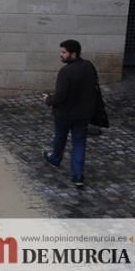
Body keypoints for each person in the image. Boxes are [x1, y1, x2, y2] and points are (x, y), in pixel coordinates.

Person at [43, 39, 99, 188]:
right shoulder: (88, 66)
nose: (61, 55)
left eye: (64, 52)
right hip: (83, 114)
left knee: (60, 137)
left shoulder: (65, 72)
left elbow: (60, 97)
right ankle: (77, 175)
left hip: (65, 114)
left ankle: (55, 158)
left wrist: (48, 99)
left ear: (73, 53)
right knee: (79, 143)